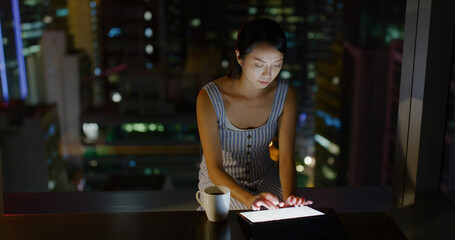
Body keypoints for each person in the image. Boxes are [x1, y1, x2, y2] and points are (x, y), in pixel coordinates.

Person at [197, 18, 313, 210]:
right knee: (245, 216)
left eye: (277, 64)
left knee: (281, 212)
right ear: (239, 57)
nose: (268, 74)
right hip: (220, 183)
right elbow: (215, 168)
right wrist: (249, 199)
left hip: (265, 177)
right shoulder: (209, 98)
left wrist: (290, 197)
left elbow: (286, 158)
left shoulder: (285, 95)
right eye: (259, 65)